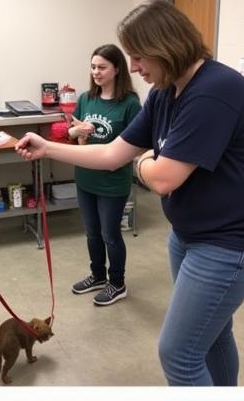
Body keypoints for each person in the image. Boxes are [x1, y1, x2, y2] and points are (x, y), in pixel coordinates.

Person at [15, 0, 244, 386]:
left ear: (165, 45)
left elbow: (164, 178)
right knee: (213, 337)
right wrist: (47, 148)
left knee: (179, 354)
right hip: (189, 235)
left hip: (232, 244)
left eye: (138, 56)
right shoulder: (165, 94)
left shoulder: (214, 91)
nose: (133, 67)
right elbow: (111, 152)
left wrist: (144, 163)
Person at [66, 44, 141, 307]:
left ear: (117, 69)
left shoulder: (130, 104)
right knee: (92, 232)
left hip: (112, 181)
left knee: (110, 234)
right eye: (93, 66)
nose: (96, 72)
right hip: (86, 178)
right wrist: (77, 134)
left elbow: (135, 144)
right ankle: (98, 275)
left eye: (102, 67)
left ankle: (117, 283)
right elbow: (75, 137)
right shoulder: (86, 98)